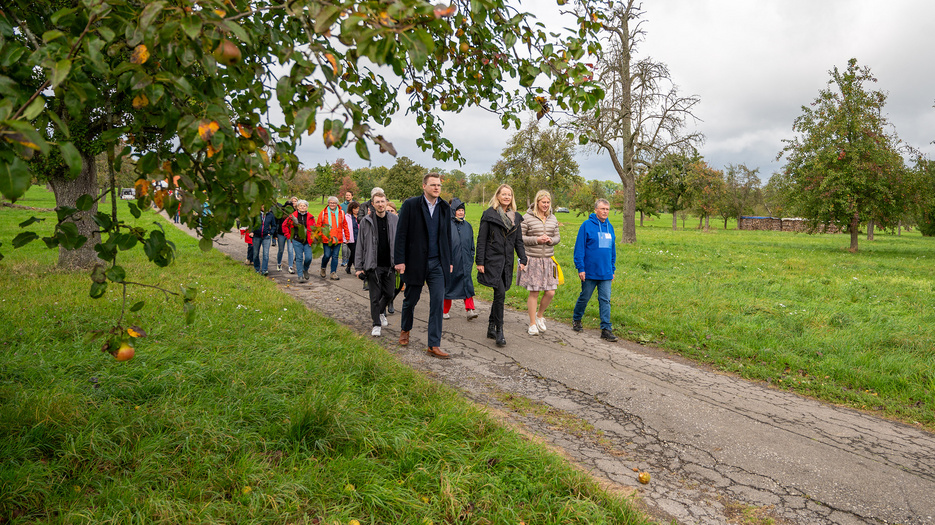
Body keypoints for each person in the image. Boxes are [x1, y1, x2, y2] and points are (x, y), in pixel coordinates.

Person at [394, 172, 453, 359]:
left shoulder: (444, 207)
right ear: (424, 186)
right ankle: (405, 329)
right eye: (433, 185)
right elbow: (401, 234)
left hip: (437, 263)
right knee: (411, 300)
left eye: (439, 185)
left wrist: (449, 260)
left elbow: (447, 236)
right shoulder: (411, 205)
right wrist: (400, 261)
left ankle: (433, 344)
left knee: (437, 302)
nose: (437, 188)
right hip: (416, 262)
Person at [476, 184, 527, 347]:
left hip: (507, 262)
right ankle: (499, 331)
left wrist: (523, 259)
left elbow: (518, 241)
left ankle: (491, 327)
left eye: (509, 195)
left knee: (500, 294)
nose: (506, 197)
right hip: (492, 261)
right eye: (503, 194)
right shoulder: (489, 215)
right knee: (500, 295)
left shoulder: (516, 217)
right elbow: (481, 239)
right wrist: (480, 261)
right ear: (497, 196)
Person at [572, 198, 618, 342]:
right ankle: (577, 319)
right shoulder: (586, 225)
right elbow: (579, 249)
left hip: (606, 272)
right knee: (585, 297)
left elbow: (612, 250)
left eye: (607, 209)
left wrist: (612, 268)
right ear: (596, 210)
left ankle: (606, 329)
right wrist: (581, 268)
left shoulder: (610, 227)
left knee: (605, 300)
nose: (605, 212)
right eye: (602, 209)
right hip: (589, 271)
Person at [519, 190, 561, 335]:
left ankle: (539, 316)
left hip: (548, 260)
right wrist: (536, 240)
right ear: (537, 202)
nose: (546, 205)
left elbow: (557, 237)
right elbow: (520, 238)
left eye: (548, 202)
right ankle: (532, 324)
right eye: (543, 202)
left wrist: (551, 241)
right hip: (533, 259)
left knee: (550, 292)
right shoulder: (527, 218)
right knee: (535, 291)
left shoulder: (553, 218)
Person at [355, 192, 397, 337]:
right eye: (377, 202)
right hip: (373, 264)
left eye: (382, 201)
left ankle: (380, 312)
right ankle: (376, 324)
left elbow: (399, 242)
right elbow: (360, 245)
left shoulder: (394, 219)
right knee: (374, 296)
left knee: (390, 293)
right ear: (372, 204)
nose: (380, 204)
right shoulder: (366, 221)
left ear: (386, 203)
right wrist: (358, 267)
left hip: (390, 264)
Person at [444, 197, 478, 321]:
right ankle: (444, 311)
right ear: (453, 211)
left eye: (462, 210)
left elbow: (472, 245)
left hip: (465, 262)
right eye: (458, 210)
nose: (461, 212)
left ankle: (470, 310)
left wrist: (470, 258)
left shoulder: (467, 226)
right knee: (449, 287)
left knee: (467, 285)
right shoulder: (447, 225)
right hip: (452, 263)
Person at [283, 199, 317, 282]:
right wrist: (288, 235)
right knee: (299, 258)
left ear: (307, 207)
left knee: (308, 258)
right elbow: (284, 225)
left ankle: (305, 269)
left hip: (307, 240)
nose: (302, 207)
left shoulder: (310, 217)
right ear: (297, 207)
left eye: (304, 206)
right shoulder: (292, 216)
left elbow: (314, 228)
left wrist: (314, 238)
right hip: (296, 240)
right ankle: (300, 276)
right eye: (300, 206)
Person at [317, 196, 350, 280]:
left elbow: (345, 225)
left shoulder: (341, 213)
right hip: (326, 238)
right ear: (328, 203)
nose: (332, 204)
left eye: (334, 203)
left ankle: (333, 272)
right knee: (327, 255)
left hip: (337, 239)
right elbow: (319, 225)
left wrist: (347, 236)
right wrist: (319, 236)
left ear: (337, 204)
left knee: (335, 256)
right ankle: (323, 268)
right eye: (331, 203)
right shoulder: (323, 213)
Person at [252, 205, 276, 276]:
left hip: (266, 237)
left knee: (266, 254)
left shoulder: (271, 215)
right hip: (256, 236)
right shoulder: (256, 214)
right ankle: (257, 268)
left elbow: (274, 225)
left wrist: (270, 233)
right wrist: (251, 231)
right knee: (255, 253)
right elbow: (251, 224)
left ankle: (264, 270)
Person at [275, 196, 297, 273]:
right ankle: (279, 263)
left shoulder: (294, 213)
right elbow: (277, 223)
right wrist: (275, 234)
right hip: (281, 233)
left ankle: (290, 267)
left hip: (290, 234)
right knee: (281, 250)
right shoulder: (281, 212)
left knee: (290, 250)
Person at [344, 201, 360, 274]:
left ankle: (348, 266)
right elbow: (344, 228)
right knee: (354, 252)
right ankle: (357, 268)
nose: (357, 210)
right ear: (351, 209)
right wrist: (345, 237)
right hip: (351, 238)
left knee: (355, 253)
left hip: (359, 238)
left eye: (358, 209)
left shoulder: (361, 217)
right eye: (355, 209)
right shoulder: (347, 217)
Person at [340, 190, 353, 266]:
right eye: (346, 195)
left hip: (352, 225)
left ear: (352, 196)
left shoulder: (355, 204)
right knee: (344, 243)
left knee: (351, 243)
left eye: (349, 195)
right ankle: (344, 260)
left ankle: (349, 259)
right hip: (344, 225)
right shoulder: (342, 206)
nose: (347, 196)